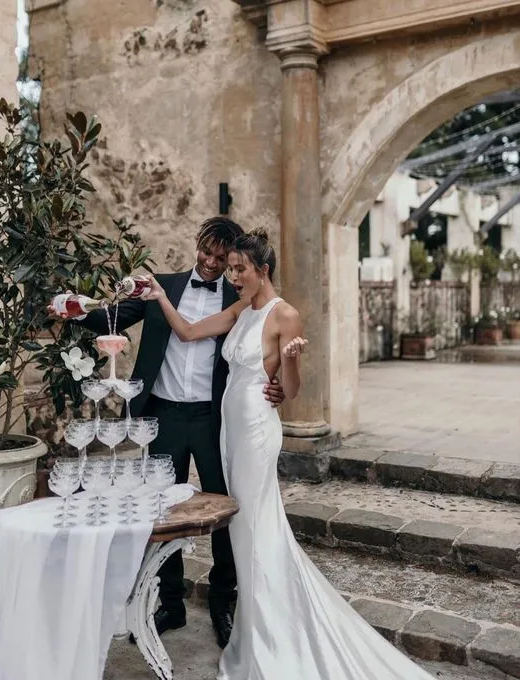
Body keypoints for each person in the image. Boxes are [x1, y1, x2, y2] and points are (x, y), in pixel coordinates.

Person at [143, 228, 437, 680]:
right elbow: (187, 331)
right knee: (241, 528)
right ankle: (250, 622)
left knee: (256, 527)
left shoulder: (286, 316)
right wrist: (162, 295)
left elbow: (292, 392)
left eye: (240, 269)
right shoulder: (241, 308)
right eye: (231, 267)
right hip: (231, 430)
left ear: (264, 271)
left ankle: (268, 637)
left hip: (258, 431)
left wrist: (293, 361)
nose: (232, 275)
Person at [59, 217, 285, 649]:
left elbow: (267, 339)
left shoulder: (240, 298)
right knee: (162, 508)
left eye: (222, 259)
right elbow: (112, 317)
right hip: (160, 414)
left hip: (213, 417)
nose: (212, 263)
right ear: (196, 243)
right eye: (207, 252)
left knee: (224, 509)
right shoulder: (160, 286)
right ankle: (171, 602)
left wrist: (274, 383)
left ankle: (223, 601)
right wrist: (70, 312)